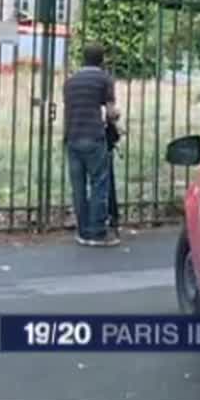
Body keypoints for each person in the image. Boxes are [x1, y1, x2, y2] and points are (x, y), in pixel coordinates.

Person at [64, 42, 122, 247]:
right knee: (99, 183)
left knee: (78, 186)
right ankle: (98, 232)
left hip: (72, 137)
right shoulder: (104, 79)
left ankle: (83, 231)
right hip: (94, 138)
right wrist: (116, 119)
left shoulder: (70, 82)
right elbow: (111, 111)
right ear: (102, 59)